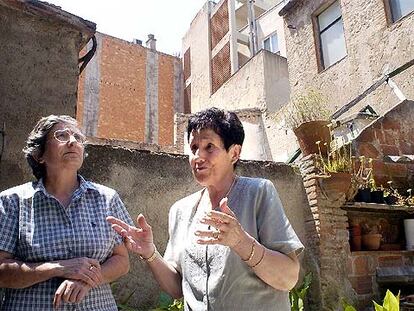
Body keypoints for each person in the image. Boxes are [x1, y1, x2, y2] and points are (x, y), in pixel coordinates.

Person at [107, 107, 304, 310]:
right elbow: (178, 289)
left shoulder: (258, 193)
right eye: (193, 148)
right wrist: (150, 254)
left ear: (234, 153)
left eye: (209, 146)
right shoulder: (180, 211)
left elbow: (288, 278)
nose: (198, 157)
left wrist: (241, 242)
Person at [0, 115, 133, 310]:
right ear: (40, 155)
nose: (72, 141)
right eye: (61, 136)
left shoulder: (106, 198)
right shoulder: (12, 202)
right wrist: (57, 267)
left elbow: (121, 261)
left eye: (78, 137)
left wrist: (86, 280)